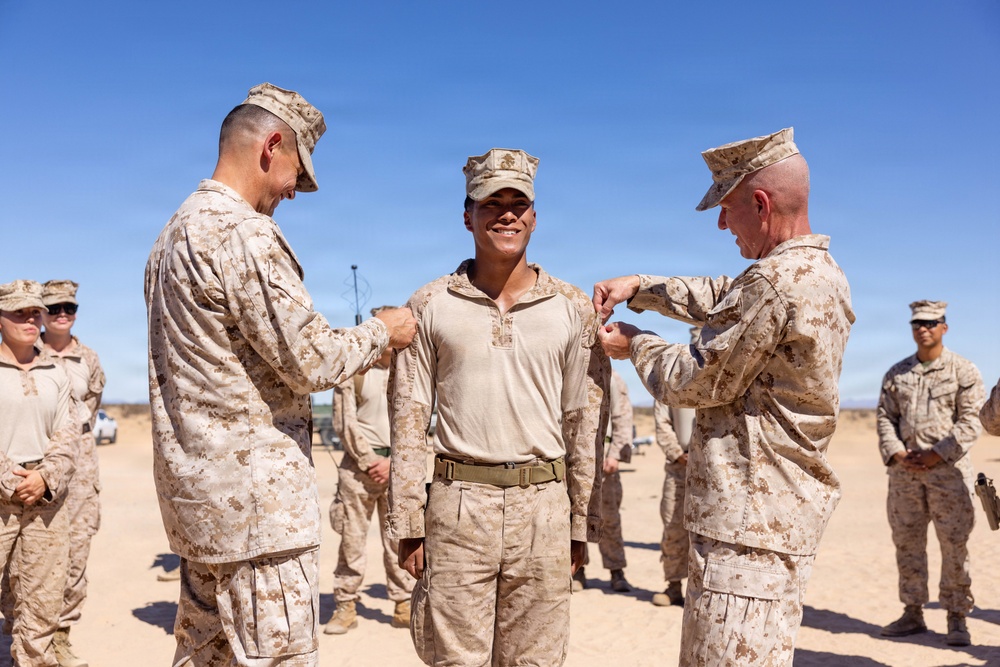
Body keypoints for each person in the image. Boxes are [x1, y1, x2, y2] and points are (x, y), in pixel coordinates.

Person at [144, 83, 417, 667]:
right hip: (258, 517)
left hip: (200, 510)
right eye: (298, 172)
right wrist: (384, 331)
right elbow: (313, 359)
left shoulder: (171, 236)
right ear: (272, 146)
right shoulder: (242, 233)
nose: (294, 191)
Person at [593, 128, 854, 666]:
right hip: (768, 521)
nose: (721, 224)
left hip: (747, 529)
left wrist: (635, 343)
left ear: (760, 204)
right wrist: (642, 286)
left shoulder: (776, 283)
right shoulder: (813, 271)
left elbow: (694, 379)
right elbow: (726, 297)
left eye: (726, 209)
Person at [387, 148, 609, 666]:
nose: (506, 215)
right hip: (458, 509)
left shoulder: (572, 308)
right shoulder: (430, 305)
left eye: (518, 203)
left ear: (534, 216)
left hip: (544, 510)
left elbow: (583, 423)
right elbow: (409, 419)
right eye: (491, 203)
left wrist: (580, 522)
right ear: (468, 215)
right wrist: (409, 522)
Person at [876, 300, 985, 646]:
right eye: (917, 324)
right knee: (907, 544)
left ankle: (957, 616)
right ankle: (912, 613)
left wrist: (937, 454)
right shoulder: (897, 373)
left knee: (954, 545)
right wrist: (896, 452)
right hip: (905, 476)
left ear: (944, 327)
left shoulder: (963, 371)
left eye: (930, 323)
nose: (923, 328)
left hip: (948, 476)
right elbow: (885, 417)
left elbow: (971, 422)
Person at [0, 279, 78, 667]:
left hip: (46, 499)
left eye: (35, 312)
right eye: (19, 313)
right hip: (3, 495)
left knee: (43, 600)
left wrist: (45, 477)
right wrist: (9, 479)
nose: (30, 320)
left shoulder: (56, 372)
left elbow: (69, 433)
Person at [324, 308, 414, 635]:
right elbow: (344, 423)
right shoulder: (355, 373)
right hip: (359, 471)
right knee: (352, 541)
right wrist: (370, 461)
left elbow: (415, 424)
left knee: (399, 540)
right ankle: (346, 604)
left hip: (397, 469)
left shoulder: (409, 374)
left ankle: (403, 602)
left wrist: (395, 463)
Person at [39, 280, 105, 667]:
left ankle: (61, 636)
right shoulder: (26, 354)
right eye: (54, 308)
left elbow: (91, 406)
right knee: (33, 555)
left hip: (81, 467)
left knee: (76, 553)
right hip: (39, 461)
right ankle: (29, 636)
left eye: (70, 307)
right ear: (41, 313)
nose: (62, 314)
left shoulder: (89, 359)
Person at [574, 369, 633, 593]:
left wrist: (615, 454)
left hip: (604, 458)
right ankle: (578, 571)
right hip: (576, 457)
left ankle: (616, 571)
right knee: (576, 516)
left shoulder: (613, 377)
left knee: (610, 519)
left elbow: (622, 417)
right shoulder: (571, 369)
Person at [651, 396, 696, 608]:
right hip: (679, 468)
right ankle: (674, 585)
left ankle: (701, 594)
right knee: (673, 526)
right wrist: (677, 454)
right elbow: (662, 422)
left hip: (716, 466)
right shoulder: (670, 382)